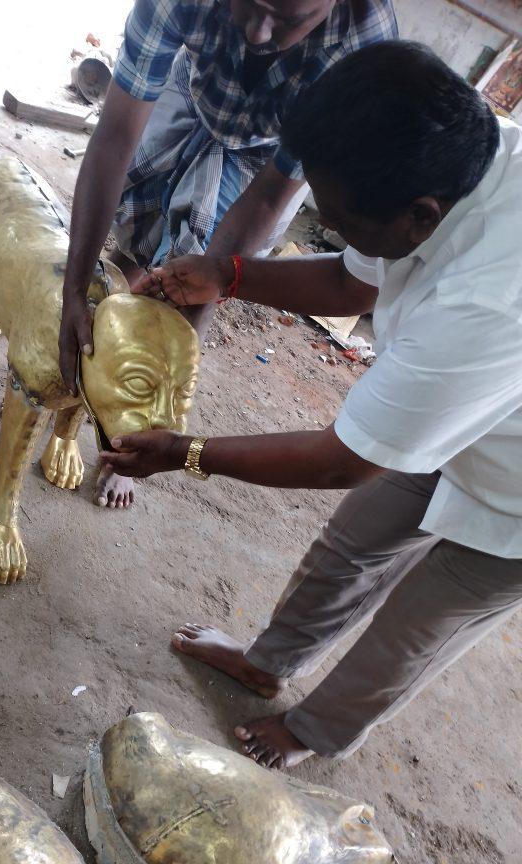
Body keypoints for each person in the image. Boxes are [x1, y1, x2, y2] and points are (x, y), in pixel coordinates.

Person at [100, 41, 522, 770]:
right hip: (459, 405)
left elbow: (341, 462)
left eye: (341, 220)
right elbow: (355, 286)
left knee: (416, 627)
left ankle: (316, 730)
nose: (331, 228)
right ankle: (266, 663)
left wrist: (184, 452)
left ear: (419, 217)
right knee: (349, 551)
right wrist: (227, 273)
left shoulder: (487, 301)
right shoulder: (460, 167)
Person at [59, 0, 398, 509]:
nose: (259, 34)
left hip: (270, 149)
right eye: (250, 3)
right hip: (192, 87)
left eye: (287, 20)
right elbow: (115, 137)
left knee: (186, 286)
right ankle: (97, 349)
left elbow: (266, 199)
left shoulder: (361, 48)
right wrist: (73, 287)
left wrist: (175, 425)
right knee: (132, 251)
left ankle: (125, 439)